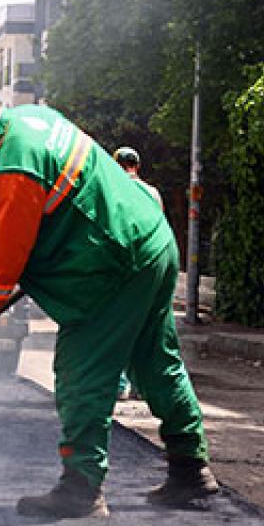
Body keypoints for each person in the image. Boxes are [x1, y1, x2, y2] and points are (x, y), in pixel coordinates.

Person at [0, 75, 218, 518]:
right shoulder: (34, 120)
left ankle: (81, 487)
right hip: (151, 241)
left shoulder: (14, 163)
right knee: (155, 360)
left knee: (81, 370)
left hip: (113, 265)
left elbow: (0, 270)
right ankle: (191, 470)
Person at [113, 145, 162, 401]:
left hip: (122, 267)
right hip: (151, 265)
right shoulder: (153, 193)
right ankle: (143, 386)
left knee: (119, 327)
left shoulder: (114, 189)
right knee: (146, 327)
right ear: (137, 166)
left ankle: (120, 386)